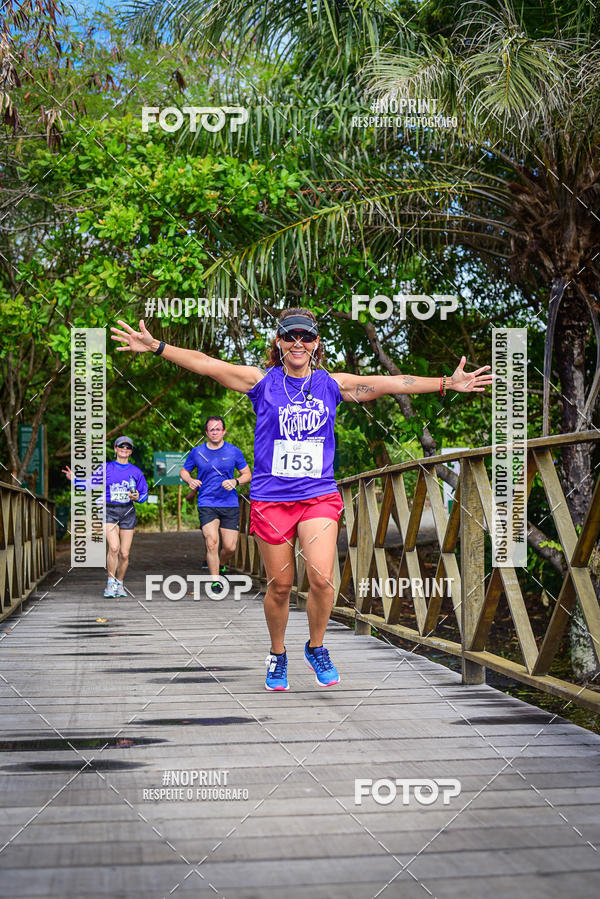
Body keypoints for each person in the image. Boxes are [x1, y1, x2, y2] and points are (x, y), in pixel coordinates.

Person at [111, 310, 493, 690]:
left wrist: (447, 382)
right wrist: (157, 346)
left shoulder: (333, 384)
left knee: (323, 578)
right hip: (271, 500)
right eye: (290, 336)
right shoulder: (262, 382)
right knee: (280, 585)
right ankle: (278, 654)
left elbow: (394, 382)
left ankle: (316, 646)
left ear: (316, 345)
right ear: (279, 343)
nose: (298, 343)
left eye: (306, 337)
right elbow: (208, 365)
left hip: (317, 497)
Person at [62, 436, 149, 597]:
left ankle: (120, 583)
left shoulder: (136, 471)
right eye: (121, 446)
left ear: (131, 451)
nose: (124, 449)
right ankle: (110, 583)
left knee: (124, 553)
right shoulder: (106, 468)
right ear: (115, 449)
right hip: (109, 510)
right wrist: (74, 479)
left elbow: (144, 495)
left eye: (128, 447)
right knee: (114, 547)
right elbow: (90, 484)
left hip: (128, 512)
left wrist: (138, 498)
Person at [180, 416, 251, 591]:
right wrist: (189, 480)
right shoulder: (197, 452)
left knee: (230, 547)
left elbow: (247, 474)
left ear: (224, 431)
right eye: (211, 429)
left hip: (229, 504)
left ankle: (222, 564)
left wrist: (235, 482)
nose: (215, 432)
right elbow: (183, 471)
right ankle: (215, 581)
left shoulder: (234, 451)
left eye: (218, 429)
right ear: (207, 433)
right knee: (211, 542)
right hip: (207, 502)